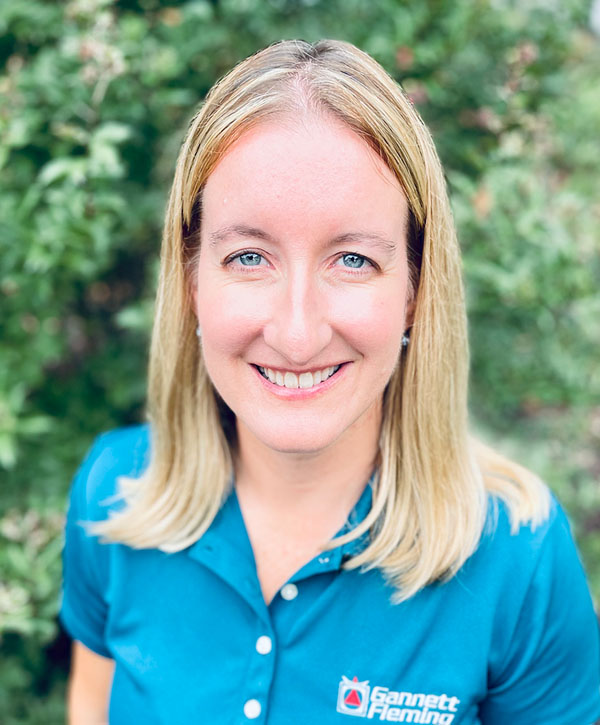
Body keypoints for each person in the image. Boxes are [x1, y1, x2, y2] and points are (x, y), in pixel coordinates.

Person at [59, 39, 600, 724]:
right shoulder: (115, 494)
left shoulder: (517, 557)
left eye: (351, 259)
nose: (296, 331)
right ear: (193, 277)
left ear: (413, 287)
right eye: (249, 256)